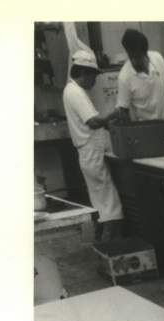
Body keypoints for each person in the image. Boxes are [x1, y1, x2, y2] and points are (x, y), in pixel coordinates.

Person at [62, 49, 123, 240]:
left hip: (89, 153)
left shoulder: (71, 90)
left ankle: (103, 246)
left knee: (100, 203)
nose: (95, 81)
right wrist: (115, 114)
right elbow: (94, 122)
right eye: (93, 76)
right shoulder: (76, 92)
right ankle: (111, 247)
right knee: (109, 205)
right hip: (91, 154)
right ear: (84, 73)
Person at [115, 28, 164, 122]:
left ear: (145, 52)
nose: (134, 61)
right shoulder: (124, 77)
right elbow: (123, 110)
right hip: (144, 128)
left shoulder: (158, 58)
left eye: (137, 57)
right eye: (131, 56)